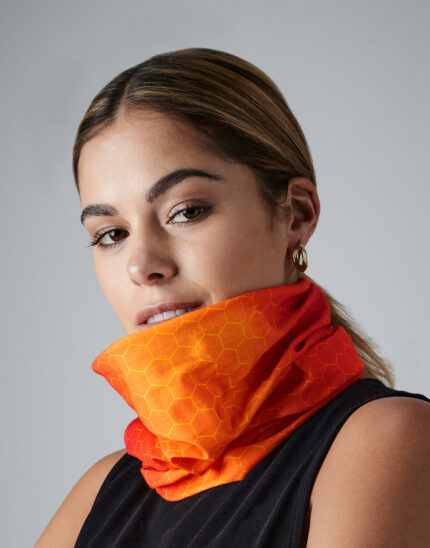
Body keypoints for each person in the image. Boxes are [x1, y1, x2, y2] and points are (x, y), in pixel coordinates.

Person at [35, 48, 430, 547]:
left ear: (297, 214)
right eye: (111, 234)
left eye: (187, 211)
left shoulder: (389, 440)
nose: (142, 265)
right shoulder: (99, 491)